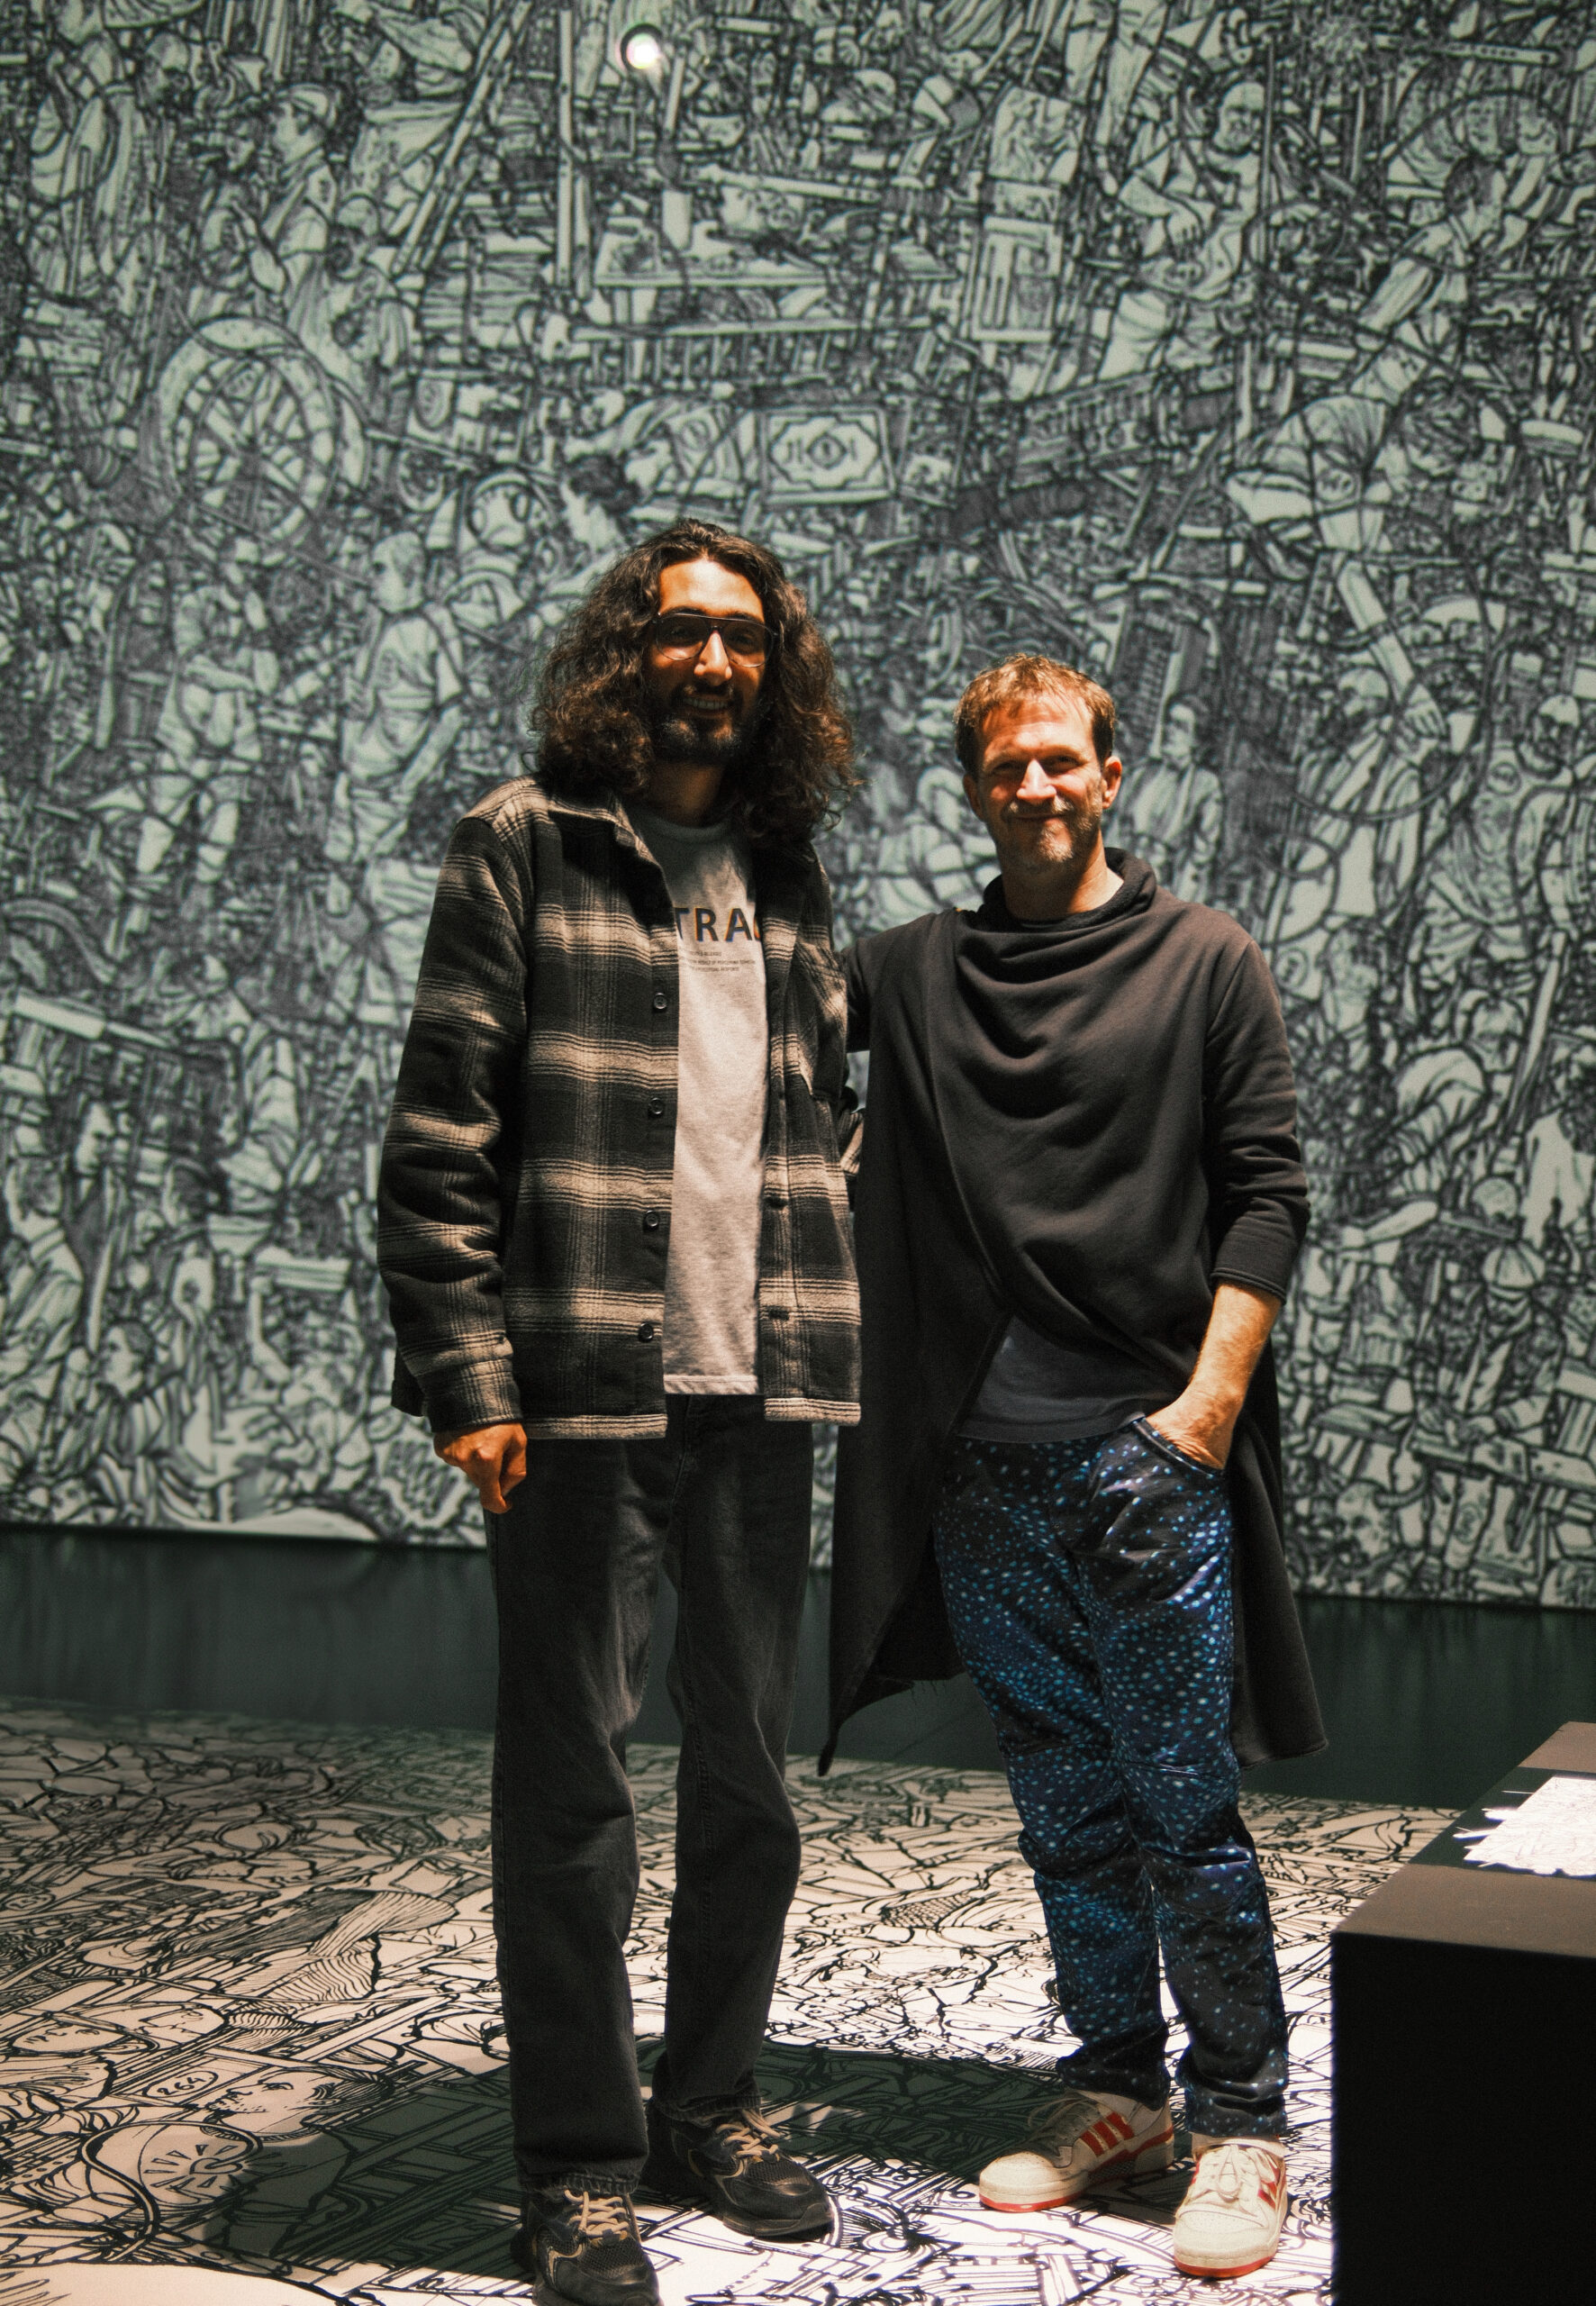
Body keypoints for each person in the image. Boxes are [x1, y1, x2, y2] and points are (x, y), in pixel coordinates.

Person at [377, 521, 861, 2304]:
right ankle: (576, 2168)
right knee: (573, 1793)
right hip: (582, 1397)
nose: (713, 660)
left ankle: (708, 2105)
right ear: (627, 652)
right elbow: (442, 1133)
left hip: (761, 1394)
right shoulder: (525, 841)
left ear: (772, 669)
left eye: (744, 636)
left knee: (750, 1785)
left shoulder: (787, 871)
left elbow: (822, 1100)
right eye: (681, 630)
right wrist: (465, 1372)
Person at [829, 655, 1321, 2283]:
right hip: (984, 1471)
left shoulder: (1204, 960)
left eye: (1059, 760)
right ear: (972, 789)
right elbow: (768, 1032)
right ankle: (1118, 2094)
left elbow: (1266, 1193)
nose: (1034, 787)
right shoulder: (916, 970)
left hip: (1140, 1461)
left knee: (1185, 1808)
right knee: (1064, 1807)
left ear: (1112, 773)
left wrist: (1203, 1416)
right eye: (1004, 767)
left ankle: (1242, 2122)